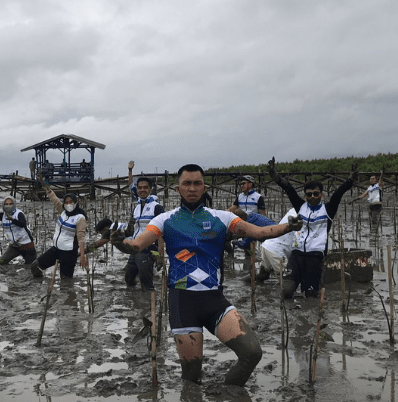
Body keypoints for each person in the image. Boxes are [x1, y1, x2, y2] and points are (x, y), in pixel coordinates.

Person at [110, 163, 302, 387]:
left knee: (252, 353)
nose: (192, 188)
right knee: (191, 375)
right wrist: (119, 242)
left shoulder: (223, 218)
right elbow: (137, 245)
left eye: (197, 183)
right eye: (187, 183)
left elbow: (259, 232)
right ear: (177, 189)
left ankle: (229, 394)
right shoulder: (164, 220)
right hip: (182, 302)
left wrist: (286, 228)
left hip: (214, 300)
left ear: (205, 187)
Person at [268, 156, 357, 299]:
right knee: (286, 290)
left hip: (315, 257)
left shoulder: (328, 210)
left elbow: (338, 193)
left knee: (310, 295)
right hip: (296, 255)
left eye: (316, 194)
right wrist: (275, 176)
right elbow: (288, 188)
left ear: (321, 195)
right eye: (309, 194)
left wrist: (350, 180)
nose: (312, 197)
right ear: (305, 196)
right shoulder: (301, 207)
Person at [31, 177, 88, 279]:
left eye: (71, 202)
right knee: (35, 265)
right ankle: (40, 286)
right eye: (66, 202)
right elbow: (54, 199)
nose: (68, 204)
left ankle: (66, 293)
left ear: (75, 203)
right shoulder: (63, 211)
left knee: (65, 281)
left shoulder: (80, 218)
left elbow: (81, 238)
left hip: (69, 253)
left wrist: (82, 256)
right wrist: (45, 186)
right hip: (56, 249)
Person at [125, 175, 165, 290]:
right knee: (129, 277)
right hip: (135, 247)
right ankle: (134, 302)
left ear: (150, 189)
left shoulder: (156, 207)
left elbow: (161, 229)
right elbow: (134, 228)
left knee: (146, 282)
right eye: (140, 188)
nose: (142, 190)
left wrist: (160, 252)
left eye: (145, 188)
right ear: (137, 190)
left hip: (148, 249)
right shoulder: (136, 208)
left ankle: (148, 303)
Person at [0, 195, 37, 264]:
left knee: (30, 266)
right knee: (1, 263)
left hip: (26, 245)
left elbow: (22, 224)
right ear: (3, 205)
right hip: (14, 247)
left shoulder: (19, 214)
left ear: (14, 204)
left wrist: (13, 220)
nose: (8, 206)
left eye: (10, 204)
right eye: (6, 204)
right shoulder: (3, 216)